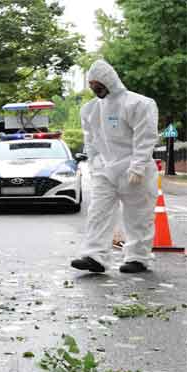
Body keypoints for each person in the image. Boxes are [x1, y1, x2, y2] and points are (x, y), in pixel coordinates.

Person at [71, 59, 158, 274]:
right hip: (105, 170)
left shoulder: (139, 104)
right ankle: (95, 256)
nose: (94, 89)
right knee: (98, 213)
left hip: (133, 169)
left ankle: (138, 258)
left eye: (96, 84)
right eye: (90, 85)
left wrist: (138, 166)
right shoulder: (90, 109)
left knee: (137, 215)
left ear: (108, 80)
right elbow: (91, 140)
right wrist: (93, 164)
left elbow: (145, 137)